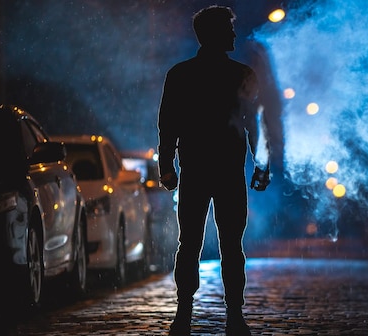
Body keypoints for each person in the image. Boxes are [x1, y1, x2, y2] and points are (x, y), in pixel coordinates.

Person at [157, 5, 271, 336]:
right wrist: (261, 165)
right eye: (229, 29)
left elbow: (169, 125)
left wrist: (167, 166)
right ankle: (234, 315)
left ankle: (184, 312)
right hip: (228, 172)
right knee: (231, 246)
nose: (234, 34)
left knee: (189, 242)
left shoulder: (180, 74)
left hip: (194, 170)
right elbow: (252, 125)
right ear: (217, 34)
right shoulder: (241, 75)